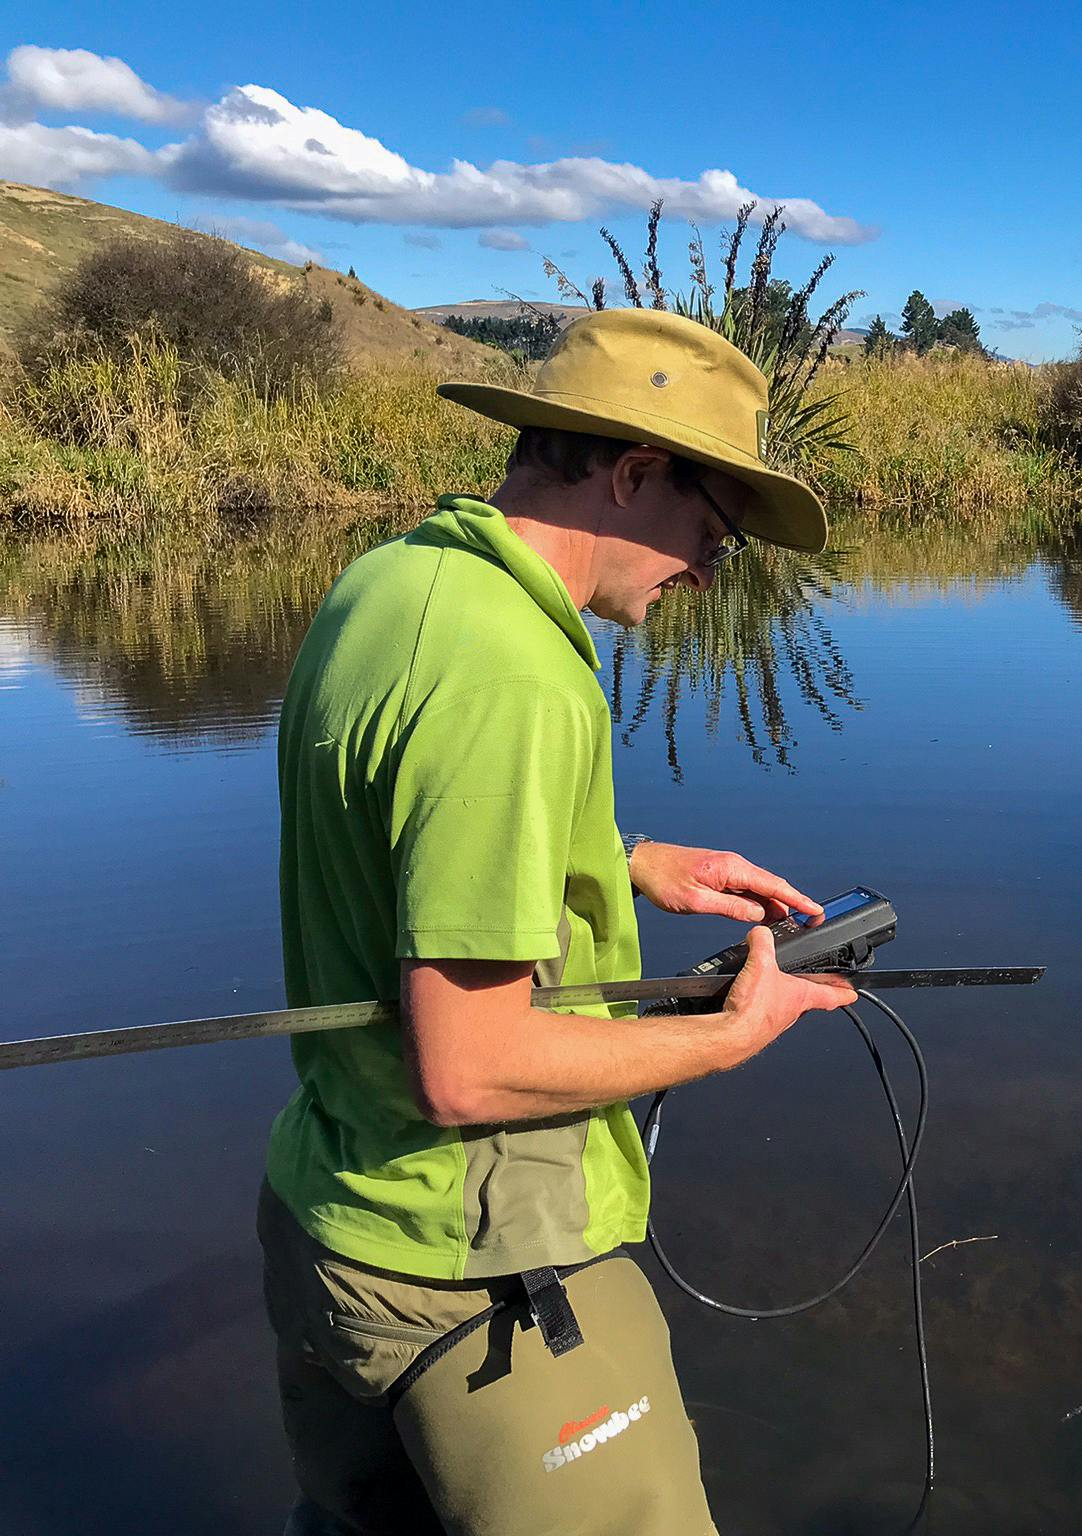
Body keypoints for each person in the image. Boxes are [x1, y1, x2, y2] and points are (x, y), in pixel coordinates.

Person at [260, 307, 854, 1535]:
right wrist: (727, 1036)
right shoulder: (516, 678)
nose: (707, 569)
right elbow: (469, 1066)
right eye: (714, 530)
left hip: (332, 1224)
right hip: (479, 1276)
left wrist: (619, 859)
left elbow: (402, 826)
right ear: (635, 472)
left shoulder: (400, 581)